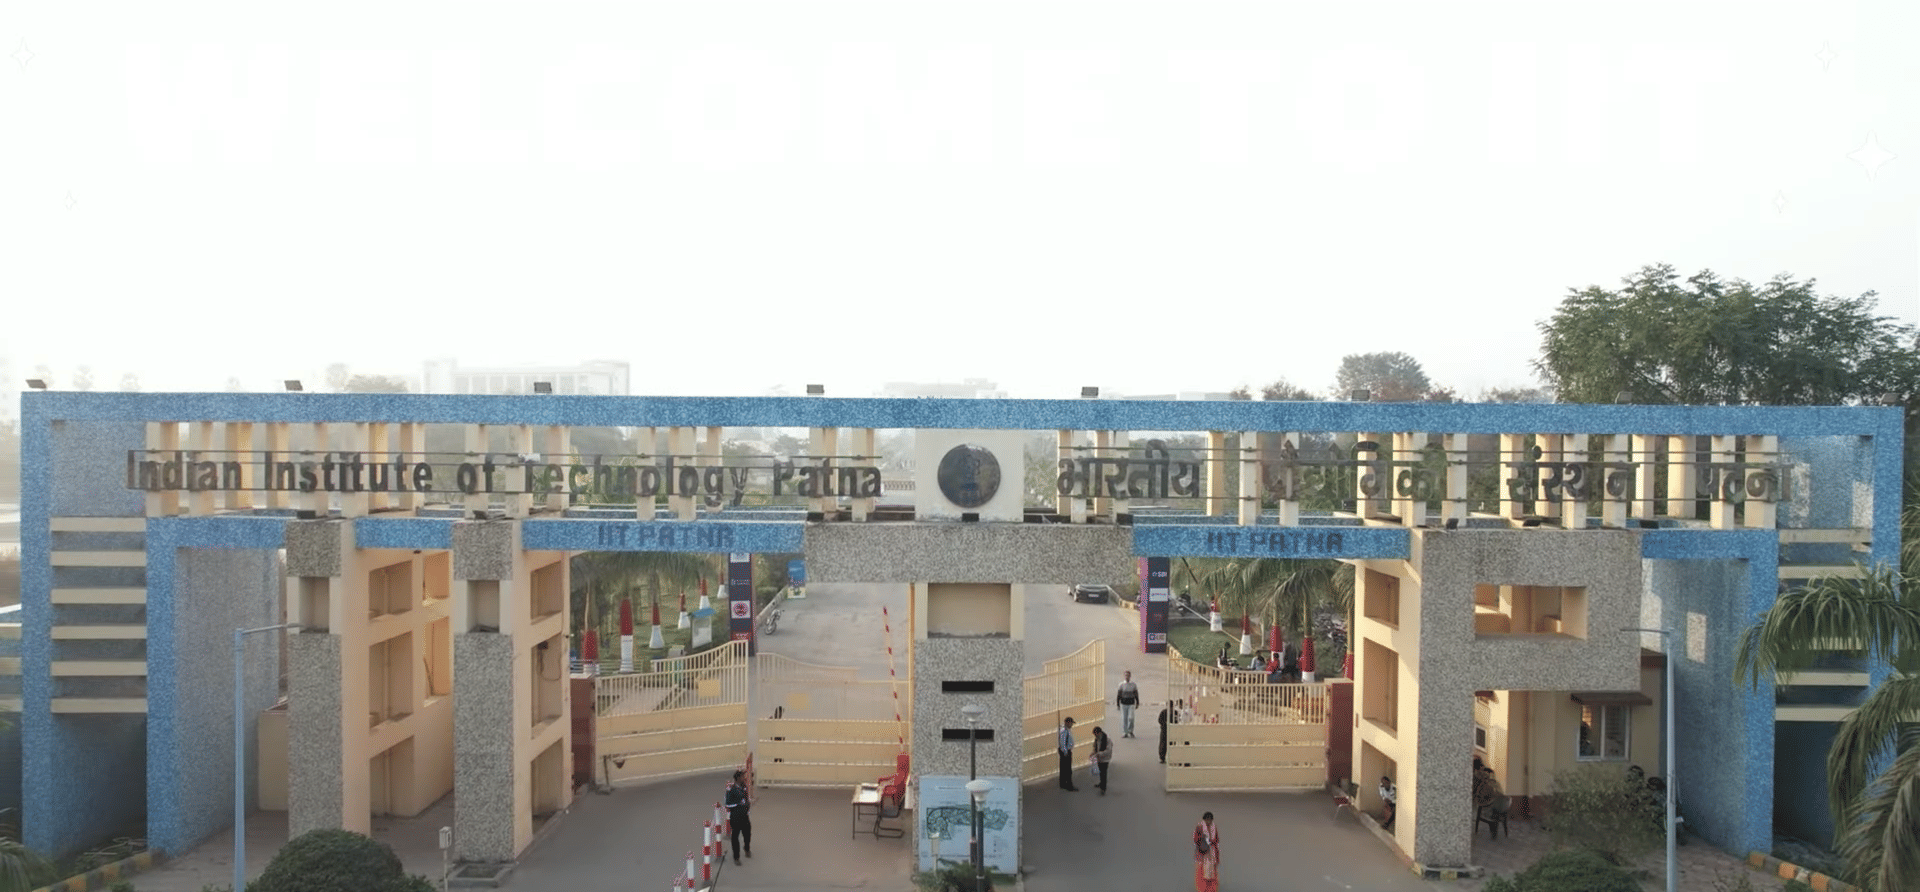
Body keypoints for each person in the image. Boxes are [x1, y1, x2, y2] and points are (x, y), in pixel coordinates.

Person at [724, 769, 752, 865]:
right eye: (742, 777)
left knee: (747, 834)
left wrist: (748, 804)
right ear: (738, 778)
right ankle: (736, 857)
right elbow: (728, 805)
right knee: (735, 837)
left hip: (745, 816)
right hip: (735, 817)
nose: (744, 778)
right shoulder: (731, 790)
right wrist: (739, 804)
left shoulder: (744, 787)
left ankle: (747, 848)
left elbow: (746, 798)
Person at [1192, 810, 1221, 892]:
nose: (1209, 821)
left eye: (1210, 820)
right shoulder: (1199, 827)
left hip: (1212, 853)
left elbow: (1216, 840)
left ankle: (1212, 889)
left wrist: (1212, 844)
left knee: (1212, 872)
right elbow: (1196, 840)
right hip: (1203, 853)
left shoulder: (1214, 827)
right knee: (1202, 871)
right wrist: (1204, 844)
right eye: (1207, 820)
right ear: (1204, 819)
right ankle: (1202, 888)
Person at [1115, 671, 1141, 738]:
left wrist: (1137, 702)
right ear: (1124, 676)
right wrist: (1118, 704)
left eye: (1128, 675)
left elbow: (1136, 694)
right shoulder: (1121, 685)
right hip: (1124, 703)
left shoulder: (1133, 685)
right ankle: (1125, 732)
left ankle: (1130, 731)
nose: (1127, 677)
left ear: (1130, 676)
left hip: (1131, 703)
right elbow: (1119, 695)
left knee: (1131, 718)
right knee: (1124, 718)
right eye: (1126, 675)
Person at [1057, 716, 1079, 791]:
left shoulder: (1066, 729)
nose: (1072, 725)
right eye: (1071, 723)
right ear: (1067, 723)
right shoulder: (1064, 731)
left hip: (1065, 751)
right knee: (1068, 770)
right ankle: (1069, 785)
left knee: (1063, 769)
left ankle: (1063, 783)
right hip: (1066, 752)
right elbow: (1062, 743)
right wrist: (1065, 752)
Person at [1091, 726, 1113, 794]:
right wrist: (1094, 753)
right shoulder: (1097, 739)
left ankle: (1103, 788)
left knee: (1103, 773)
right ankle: (1101, 783)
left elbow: (1108, 751)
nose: (1095, 736)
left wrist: (1099, 754)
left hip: (1105, 759)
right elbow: (1096, 747)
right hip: (1099, 759)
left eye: (1096, 734)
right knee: (1101, 772)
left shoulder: (1107, 740)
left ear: (1099, 733)